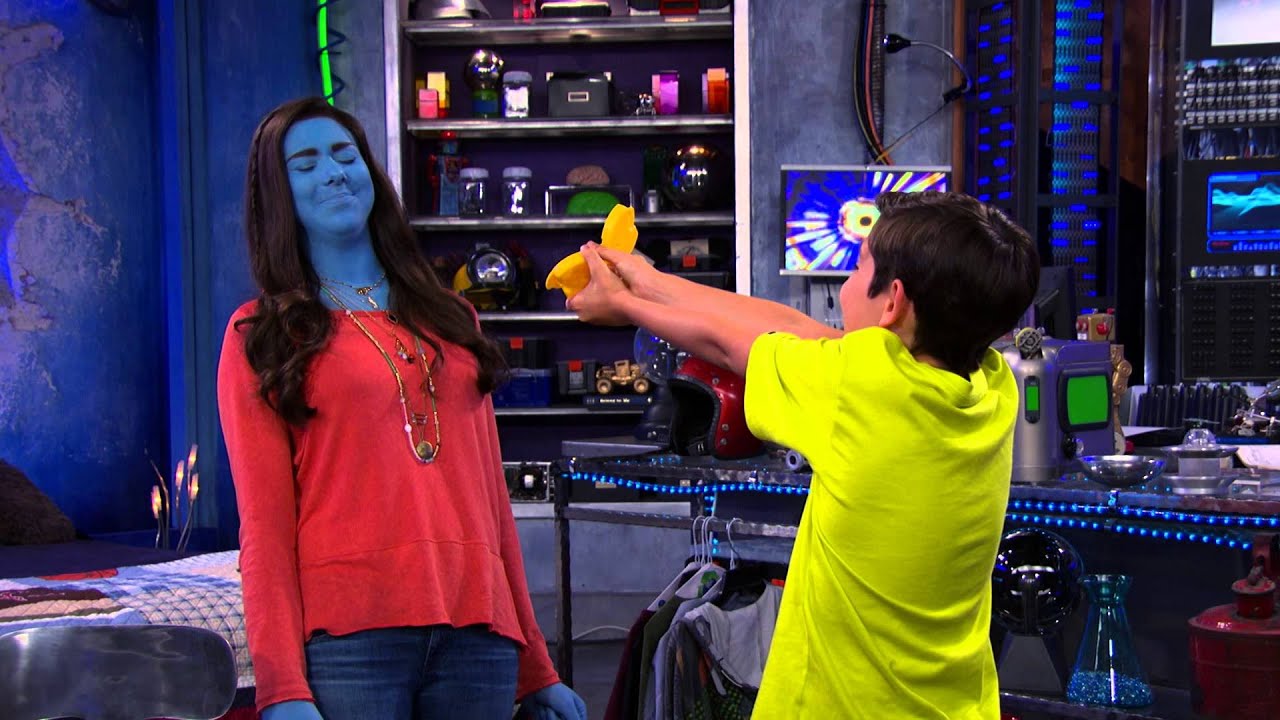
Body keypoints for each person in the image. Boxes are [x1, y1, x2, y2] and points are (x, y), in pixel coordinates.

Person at [568, 191, 1040, 719]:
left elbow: (730, 346)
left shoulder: (858, 389)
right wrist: (646, 279)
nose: (846, 283)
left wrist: (627, 307)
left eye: (858, 267)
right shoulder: (992, 387)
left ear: (893, 302)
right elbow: (797, 331)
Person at [217, 97, 587, 720]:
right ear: (278, 195)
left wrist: (535, 668)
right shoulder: (260, 335)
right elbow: (265, 527)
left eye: (346, 154)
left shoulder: (455, 319)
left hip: (479, 637)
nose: (333, 172)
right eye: (305, 164)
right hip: (350, 644)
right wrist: (281, 687)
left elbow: (492, 505)